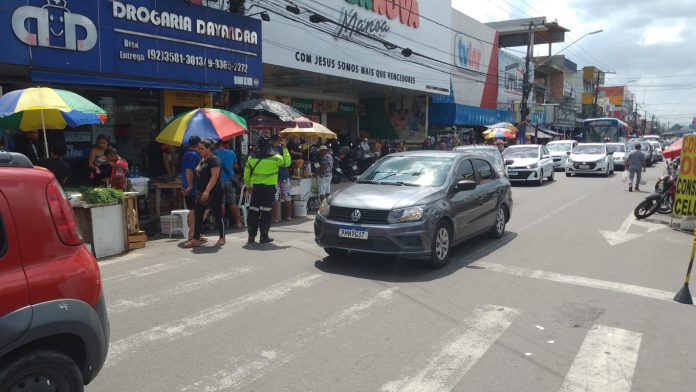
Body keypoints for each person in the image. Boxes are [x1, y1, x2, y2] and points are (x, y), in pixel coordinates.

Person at [243, 136, 291, 245]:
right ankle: (264, 236)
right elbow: (287, 163)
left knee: (253, 211)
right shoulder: (276, 157)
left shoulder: (251, 157)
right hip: (269, 188)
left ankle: (251, 237)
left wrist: (248, 186)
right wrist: (284, 148)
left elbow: (246, 174)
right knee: (266, 212)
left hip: (255, 188)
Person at [186, 139, 225, 248]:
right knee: (198, 214)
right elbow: (197, 170)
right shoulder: (203, 160)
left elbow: (214, 177)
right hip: (201, 192)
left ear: (209, 149)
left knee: (217, 215)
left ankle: (222, 238)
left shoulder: (214, 160)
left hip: (214, 192)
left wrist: (207, 191)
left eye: (202, 148)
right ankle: (196, 239)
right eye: (199, 148)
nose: (199, 150)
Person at [215, 140, 242, 229]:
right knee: (232, 203)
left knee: (221, 203)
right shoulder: (231, 152)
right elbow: (235, 166)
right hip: (230, 180)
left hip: (219, 181)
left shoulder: (214, 153)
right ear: (225, 144)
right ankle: (238, 223)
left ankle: (221, 225)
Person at [181, 136, 201, 242]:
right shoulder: (193, 154)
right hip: (192, 187)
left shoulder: (188, 153)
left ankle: (196, 232)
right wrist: (190, 185)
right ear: (198, 144)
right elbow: (189, 170)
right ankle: (192, 234)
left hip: (191, 185)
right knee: (193, 210)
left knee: (197, 210)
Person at [271, 135, 293, 222]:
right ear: (279, 141)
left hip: (274, 177)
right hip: (284, 177)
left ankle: (275, 218)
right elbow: (288, 163)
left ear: (271, 141)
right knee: (287, 197)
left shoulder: (270, 150)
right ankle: (288, 217)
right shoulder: (283, 149)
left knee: (275, 198)